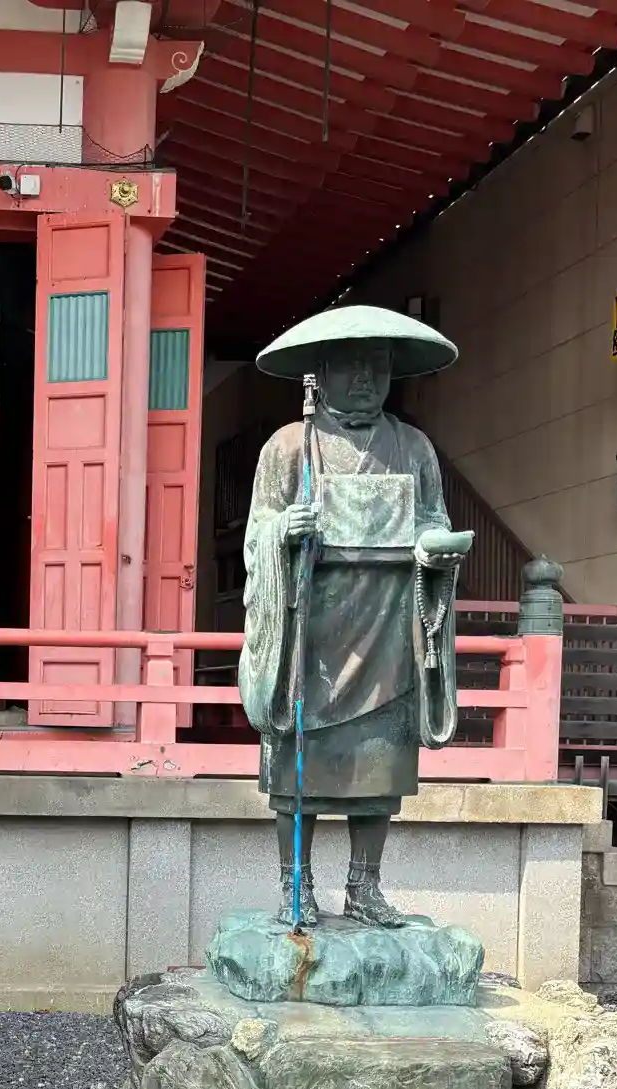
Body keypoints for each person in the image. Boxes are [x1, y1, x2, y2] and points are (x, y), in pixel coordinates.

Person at [237, 306, 471, 928]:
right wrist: (283, 531)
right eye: (351, 366)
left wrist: (436, 547)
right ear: (320, 373)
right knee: (299, 770)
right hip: (312, 632)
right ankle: (296, 885)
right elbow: (257, 532)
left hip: (388, 626)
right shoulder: (290, 447)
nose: (365, 379)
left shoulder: (413, 446)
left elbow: (433, 519)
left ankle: (364, 886)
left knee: (379, 763)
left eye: (378, 366)